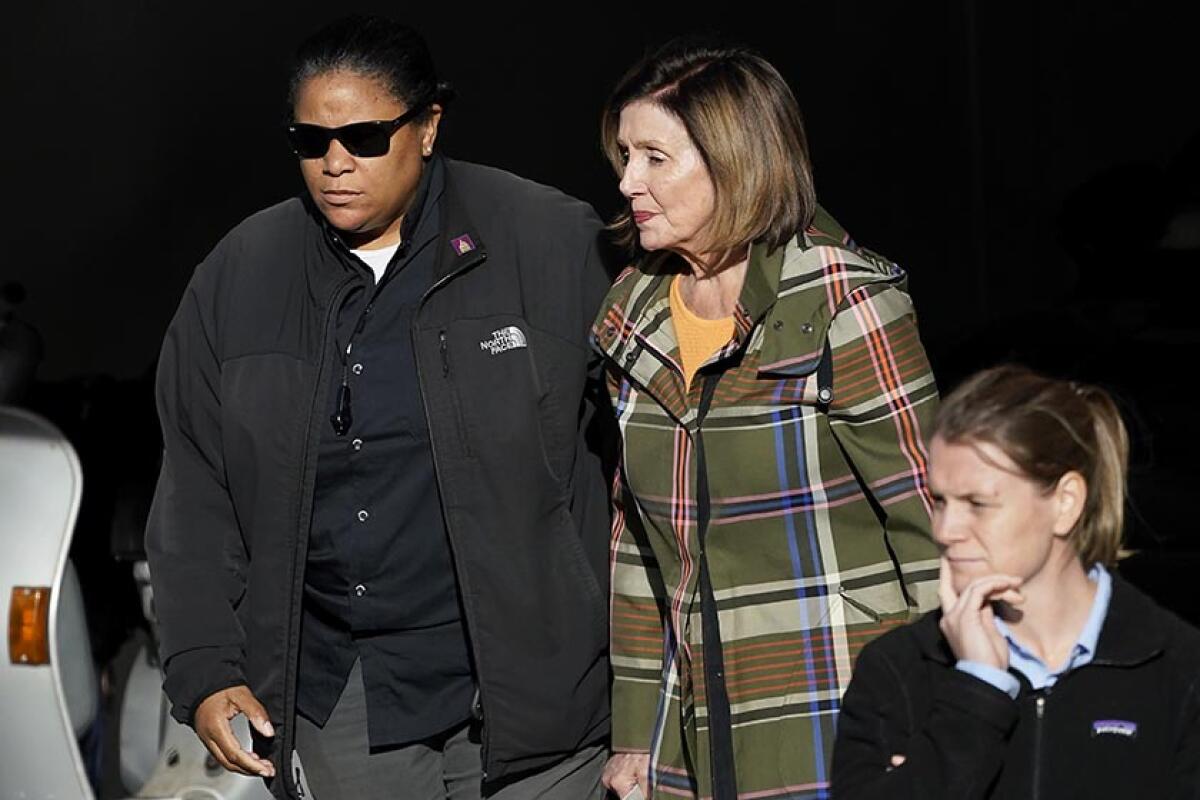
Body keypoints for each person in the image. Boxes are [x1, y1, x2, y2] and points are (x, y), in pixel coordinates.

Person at [144, 15, 615, 800]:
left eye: (365, 137)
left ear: (428, 126)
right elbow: (196, 487)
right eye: (310, 140)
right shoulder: (239, 277)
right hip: (343, 695)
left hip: (538, 688)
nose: (335, 164)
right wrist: (202, 670)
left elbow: (659, 439)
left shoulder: (551, 243)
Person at [593, 41, 941, 800]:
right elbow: (637, 550)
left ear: (735, 160)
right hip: (691, 731)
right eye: (625, 155)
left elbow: (931, 526)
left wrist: (938, 711)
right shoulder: (633, 312)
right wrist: (631, 735)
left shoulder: (846, 302)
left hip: (843, 713)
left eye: (655, 157)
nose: (628, 182)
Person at [832, 365, 1200, 798]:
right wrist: (976, 692)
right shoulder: (897, 670)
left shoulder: (1176, 669)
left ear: (1065, 503)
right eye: (940, 501)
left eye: (978, 503)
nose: (946, 529)